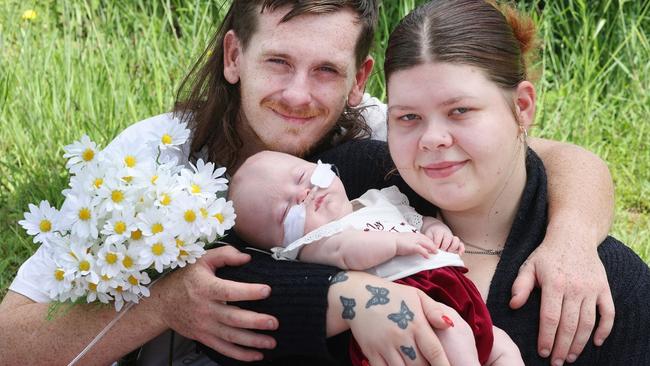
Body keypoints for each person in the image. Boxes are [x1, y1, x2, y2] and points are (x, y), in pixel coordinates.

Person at [0, 1, 617, 364]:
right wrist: (165, 305)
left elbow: (559, 157)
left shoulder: (383, 132)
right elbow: (12, 340)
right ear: (234, 56)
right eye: (277, 61)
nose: (299, 94)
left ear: (359, 79)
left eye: (326, 70)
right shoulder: (152, 156)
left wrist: (572, 238)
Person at [366, 0, 647, 364]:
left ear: (523, 107)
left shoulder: (612, 284)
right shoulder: (344, 194)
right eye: (407, 117)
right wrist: (342, 293)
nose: (432, 138)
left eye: (460, 111)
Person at [228, 150, 523, 366]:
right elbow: (349, 252)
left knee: (502, 347)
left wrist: (436, 230)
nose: (303, 194)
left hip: (454, 294)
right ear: (281, 244)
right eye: (285, 212)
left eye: (301, 177)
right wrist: (394, 244)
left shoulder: (377, 199)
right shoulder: (314, 244)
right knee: (455, 337)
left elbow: (416, 221)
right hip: (411, 312)